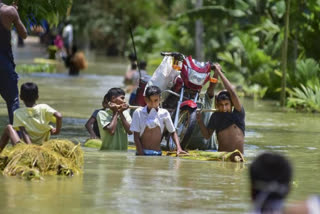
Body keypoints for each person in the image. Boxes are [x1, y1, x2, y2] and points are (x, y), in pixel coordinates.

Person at [0, 82, 62, 152]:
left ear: (21, 97)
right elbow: (59, 116)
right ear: (37, 97)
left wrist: (31, 150)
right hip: (43, 146)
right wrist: (57, 131)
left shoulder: (18, 113)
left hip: (27, 148)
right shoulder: (44, 107)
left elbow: (24, 133)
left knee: (9, 127)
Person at [197, 64, 245, 153]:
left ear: (232, 104)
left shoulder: (238, 112)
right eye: (221, 105)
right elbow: (207, 135)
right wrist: (200, 121)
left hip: (239, 157)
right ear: (217, 105)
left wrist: (219, 72)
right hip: (222, 157)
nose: (224, 108)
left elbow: (232, 92)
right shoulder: (215, 116)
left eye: (226, 104)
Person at [130, 86, 187, 156]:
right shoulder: (138, 112)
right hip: (141, 152)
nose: (153, 104)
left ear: (160, 99)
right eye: (150, 101)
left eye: (156, 100)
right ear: (145, 99)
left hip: (157, 153)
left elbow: (172, 132)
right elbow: (136, 136)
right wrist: (141, 154)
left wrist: (179, 148)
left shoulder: (164, 113)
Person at [0, 1, 27, 124]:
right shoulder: (8, 11)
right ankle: (17, 138)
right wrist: (15, 15)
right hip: (4, 62)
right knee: (13, 101)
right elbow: (24, 34)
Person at [187, 67, 219, 150]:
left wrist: (216, 71)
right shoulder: (183, 100)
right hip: (186, 147)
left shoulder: (205, 100)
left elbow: (211, 87)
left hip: (208, 148)